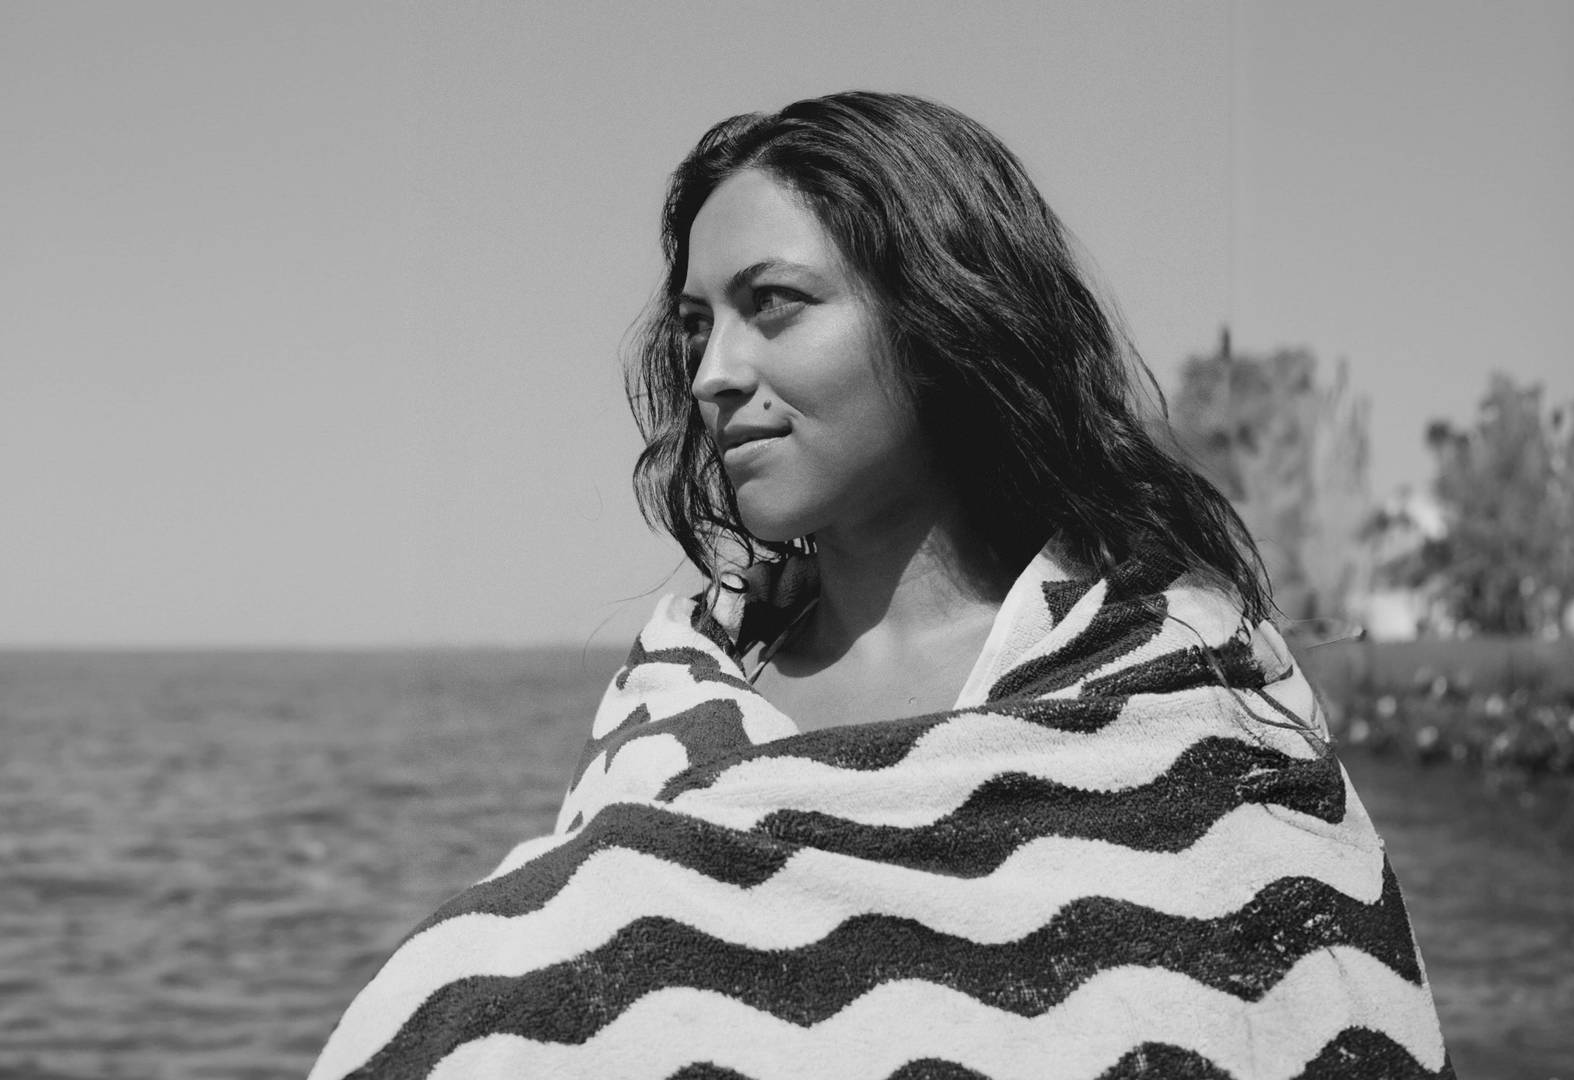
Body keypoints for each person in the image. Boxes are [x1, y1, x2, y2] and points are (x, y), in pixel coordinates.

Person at [309, 91, 1452, 1080]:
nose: (712, 373)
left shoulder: (1184, 698)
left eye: (775, 305)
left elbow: (1318, 1008)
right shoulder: (675, 703)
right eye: (698, 326)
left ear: (944, 316)